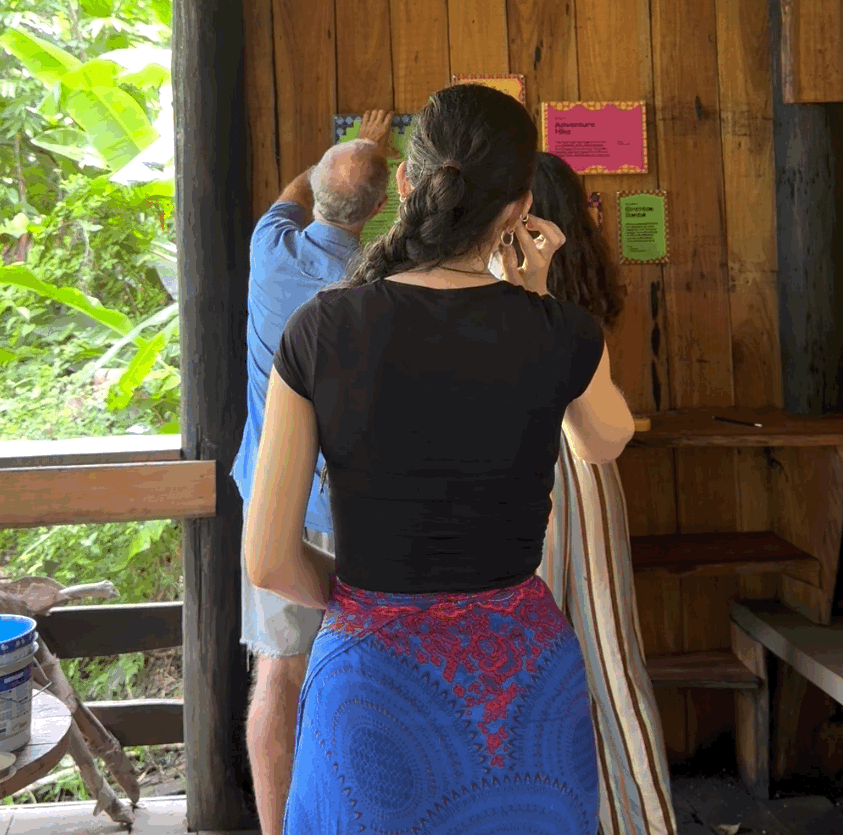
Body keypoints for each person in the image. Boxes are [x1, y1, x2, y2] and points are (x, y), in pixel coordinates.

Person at [244, 83, 636, 834]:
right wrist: (542, 298)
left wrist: (375, 602)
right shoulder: (561, 332)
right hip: (523, 686)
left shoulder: (320, 329)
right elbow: (603, 440)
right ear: (521, 208)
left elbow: (268, 562)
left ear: (404, 184)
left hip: (374, 681)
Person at [230, 110, 394, 835]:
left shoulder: (271, 251)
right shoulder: (379, 288)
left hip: (275, 509)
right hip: (361, 515)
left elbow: (297, 190)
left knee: (277, 675)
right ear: (381, 208)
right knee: (370, 677)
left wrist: (352, 147)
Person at [528, 152, 677, 835]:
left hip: (539, 471)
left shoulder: (517, 283)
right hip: (591, 481)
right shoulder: (579, 278)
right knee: (609, 654)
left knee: (542, 660)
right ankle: (634, 815)